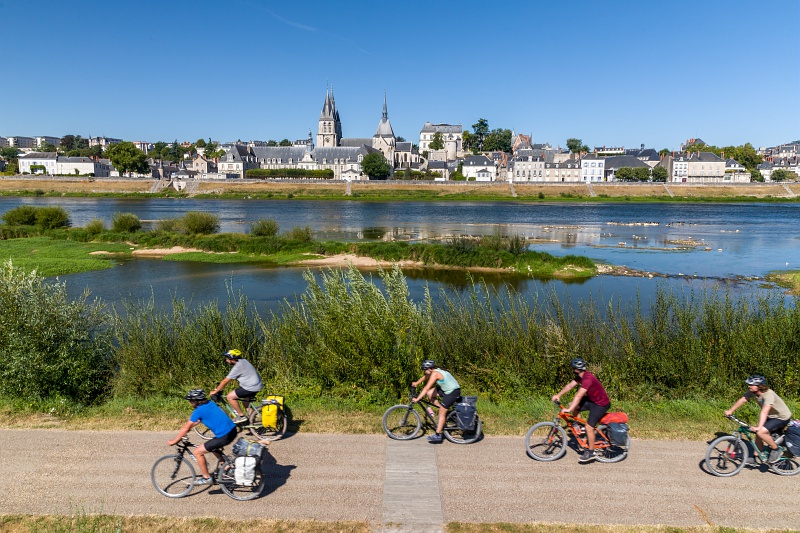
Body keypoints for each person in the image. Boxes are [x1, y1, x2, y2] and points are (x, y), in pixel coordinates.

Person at [167, 389, 238, 486]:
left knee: (198, 452)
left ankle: (206, 478)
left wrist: (175, 440)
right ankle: (226, 467)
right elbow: (204, 417)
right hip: (233, 430)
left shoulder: (198, 411)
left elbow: (185, 427)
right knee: (212, 446)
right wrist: (191, 426)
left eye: (190, 401)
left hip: (224, 436)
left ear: (195, 401)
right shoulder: (210, 403)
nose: (189, 403)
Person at [552, 357, 611, 463]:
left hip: (600, 404)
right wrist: (558, 395)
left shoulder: (587, 379)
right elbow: (570, 386)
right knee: (574, 405)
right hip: (593, 400)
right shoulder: (581, 376)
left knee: (589, 427)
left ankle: (591, 452)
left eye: (573, 368)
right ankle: (578, 426)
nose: (573, 370)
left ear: (576, 369)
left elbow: (579, 395)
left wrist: (569, 409)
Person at [724, 375, 792, 464]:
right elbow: (743, 399)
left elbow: (764, 412)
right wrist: (730, 411)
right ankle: (755, 458)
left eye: (751, 385)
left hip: (782, 417)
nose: (749, 386)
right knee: (758, 434)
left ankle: (776, 449)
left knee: (760, 432)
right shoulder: (753, 392)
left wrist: (759, 427)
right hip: (772, 416)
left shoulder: (768, 395)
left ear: (759, 386)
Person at [411, 359, 461, 444]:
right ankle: (444, 412)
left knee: (441, 411)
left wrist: (418, 398)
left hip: (453, 392)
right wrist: (417, 382)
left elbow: (426, 387)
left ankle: (438, 435)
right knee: (430, 393)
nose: (424, 371)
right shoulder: (434, 371)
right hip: (447, 389)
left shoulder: (435, 373)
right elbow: (426, 377)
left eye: (425, 369)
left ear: (429, 368)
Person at [210, 349, 264, 424]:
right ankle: (252, 422)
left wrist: (216, 391)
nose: (226, 361)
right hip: (257, 385)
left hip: (250, 387)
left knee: (230, 397)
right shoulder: (244, 361)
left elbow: (225, 381)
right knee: (246, 402)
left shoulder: (237, 367)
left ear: (231, 359)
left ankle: (241, 416)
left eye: (227, 359)